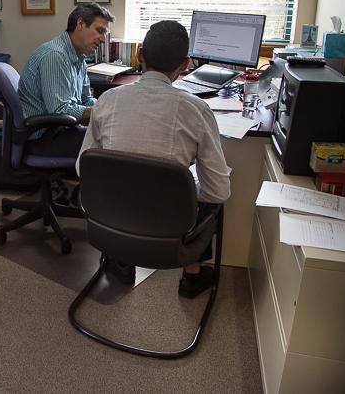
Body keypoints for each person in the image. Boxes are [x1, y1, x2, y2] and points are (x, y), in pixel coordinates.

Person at [78, 20, 231, 297]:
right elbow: (218, 191)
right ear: (185, 64)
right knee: (212, 198)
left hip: (110, 223)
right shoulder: (197, 110)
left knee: (127, 186)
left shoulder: (107, 100)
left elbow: (83, 167)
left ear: (140, 56)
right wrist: (189, 186)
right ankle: (192, 276)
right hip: (170, 234)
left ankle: (120, 260)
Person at [18, 3, 115, 158]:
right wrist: (100, 112)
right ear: (81, 24)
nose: (104, 39)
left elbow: (86, 99)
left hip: (61, 129)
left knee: (112, 134)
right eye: (100, 31)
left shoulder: (79, 58)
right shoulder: (55, 56)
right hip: (43, 136)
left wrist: (107, 108)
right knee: (110, 145)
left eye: (105, 33)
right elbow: (59, 111)